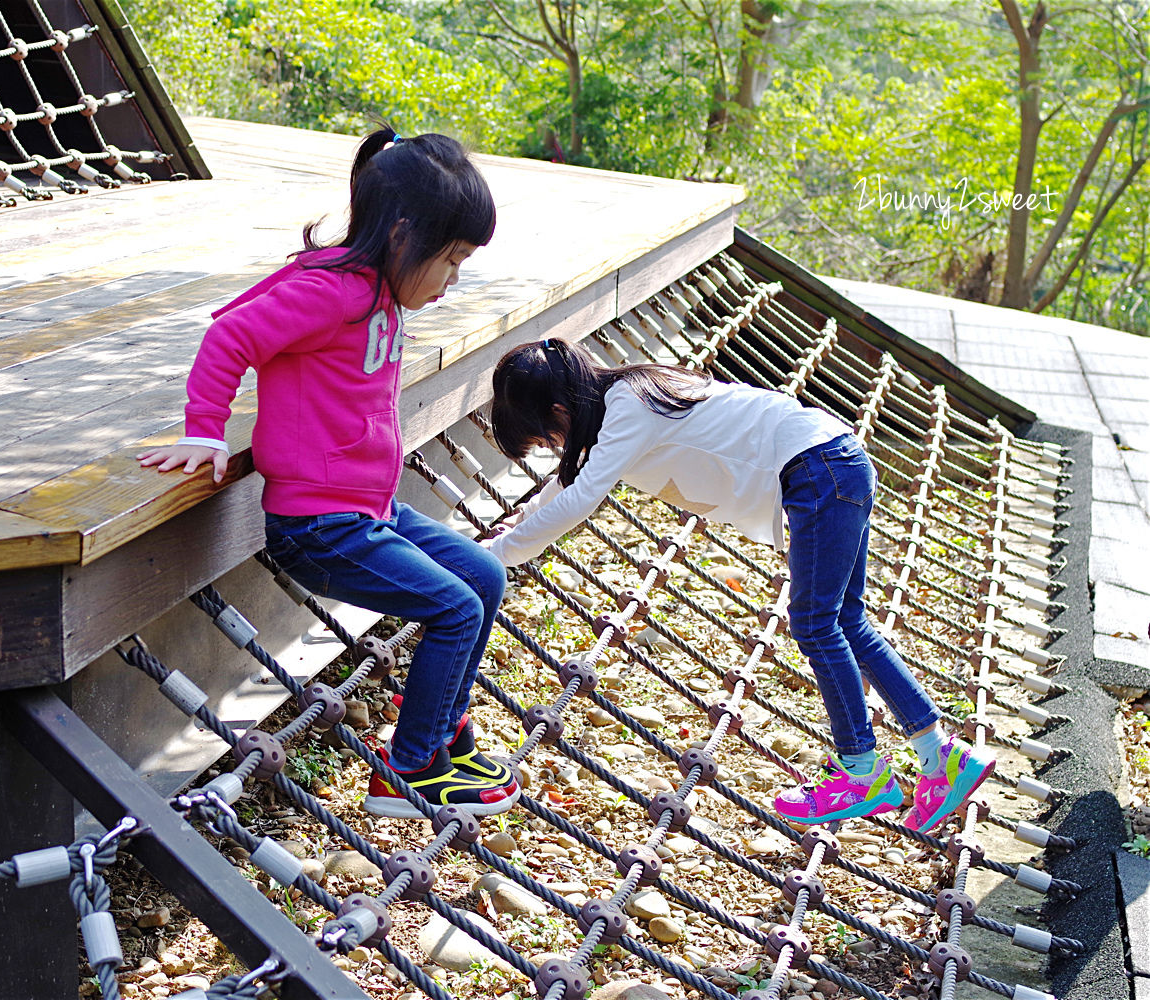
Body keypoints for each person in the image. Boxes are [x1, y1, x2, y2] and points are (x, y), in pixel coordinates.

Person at [139, 128, 518, 819]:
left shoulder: (375, 292)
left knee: (485, 576)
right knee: (455, 608)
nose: (454, 279)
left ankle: (444, 732)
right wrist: (204, 428)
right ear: (404, 234)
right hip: (319, 526)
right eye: (452, 259)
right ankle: (409, 771)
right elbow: (233, 334)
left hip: (364, 509)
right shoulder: (336, 291)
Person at [483, 338, 994, 833]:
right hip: (836, 457)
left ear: (557, 410)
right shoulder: (629, 394)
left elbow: (580, 497)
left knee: (816, 625)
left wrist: (497, 556)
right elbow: (571, 482)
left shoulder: (627, 409)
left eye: (546, 439)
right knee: (847, 623)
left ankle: (862, 774)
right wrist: (516, 526)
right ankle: (940, 756)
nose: (555, 448)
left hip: (818, 470)